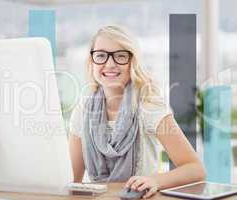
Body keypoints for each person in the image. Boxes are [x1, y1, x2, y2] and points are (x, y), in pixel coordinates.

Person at [68, 25, 206, 199]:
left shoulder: (149, 106)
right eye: (101, 56)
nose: (109, 64)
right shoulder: (82, 110)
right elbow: (73, 180)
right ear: (92, 61)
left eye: (120, 56)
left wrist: (155, 180)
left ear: (133, 61)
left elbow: (195, 169)